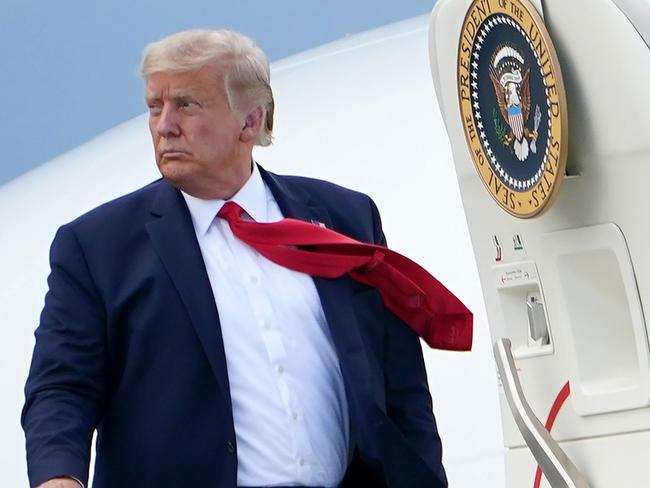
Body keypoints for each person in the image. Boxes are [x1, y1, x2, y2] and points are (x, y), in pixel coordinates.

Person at [22, 29, 448, 488]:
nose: (164, 125)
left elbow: (402, 390)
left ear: (250, 122)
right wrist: (58, 478)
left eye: (186, 104)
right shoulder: (98, 247)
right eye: (154, 105)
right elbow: (61, 386)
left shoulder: (345, 218)